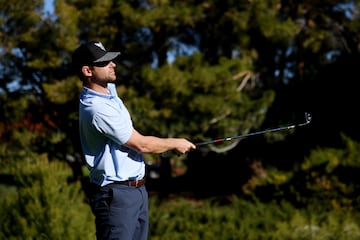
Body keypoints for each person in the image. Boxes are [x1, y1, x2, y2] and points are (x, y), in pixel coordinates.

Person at [72, 40, 196, 240]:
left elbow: (130, 137)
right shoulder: (97, 108)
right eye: (104, 62)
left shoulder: (107, 92)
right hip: (116, 196)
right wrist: (175, 143)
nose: (113, 64)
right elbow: (141, 144)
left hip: (137, 190)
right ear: (88, 71)